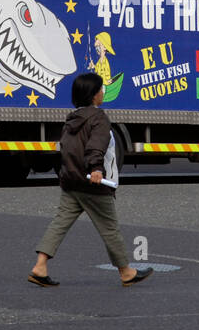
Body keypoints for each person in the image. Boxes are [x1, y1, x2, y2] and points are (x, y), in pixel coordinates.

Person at [29, 71, 151, 288]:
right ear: (94, 94)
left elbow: (67, 149)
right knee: (109, 227)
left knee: (60, 222)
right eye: (101, 89)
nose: (103, 92)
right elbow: (97, 144)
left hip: (71, 181)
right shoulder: (99, 118)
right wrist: (96, 169)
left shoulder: (72, 118)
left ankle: (40, 266)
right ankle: (126, 272)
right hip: (94, 183)